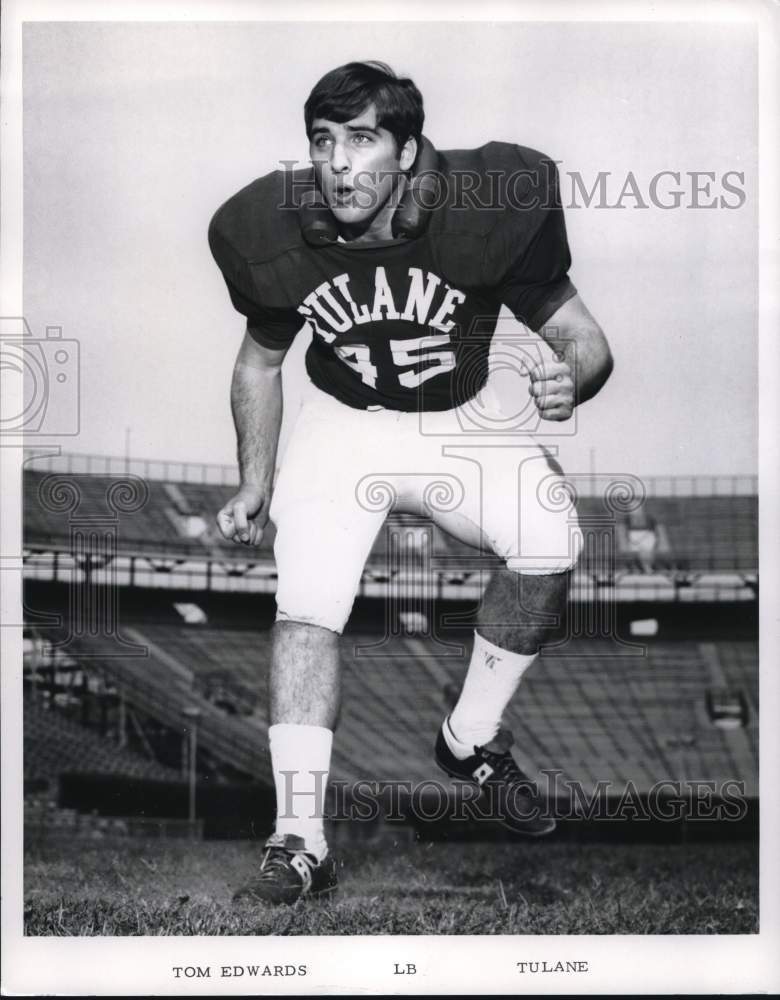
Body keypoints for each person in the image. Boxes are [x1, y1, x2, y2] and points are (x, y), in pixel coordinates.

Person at [210, 61, 613, 905]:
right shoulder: (270, 228)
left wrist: (574, 376)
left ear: (408, 150)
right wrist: (253, 481)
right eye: (323, 142)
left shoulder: (488, 205)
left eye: (362, 140)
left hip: (453, 419)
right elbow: (259, 363)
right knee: (309, 603)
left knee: (551, 536)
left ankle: (469, 739)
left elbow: (584, 337)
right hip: (344, 419)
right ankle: (299, 838)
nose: (340, 164)